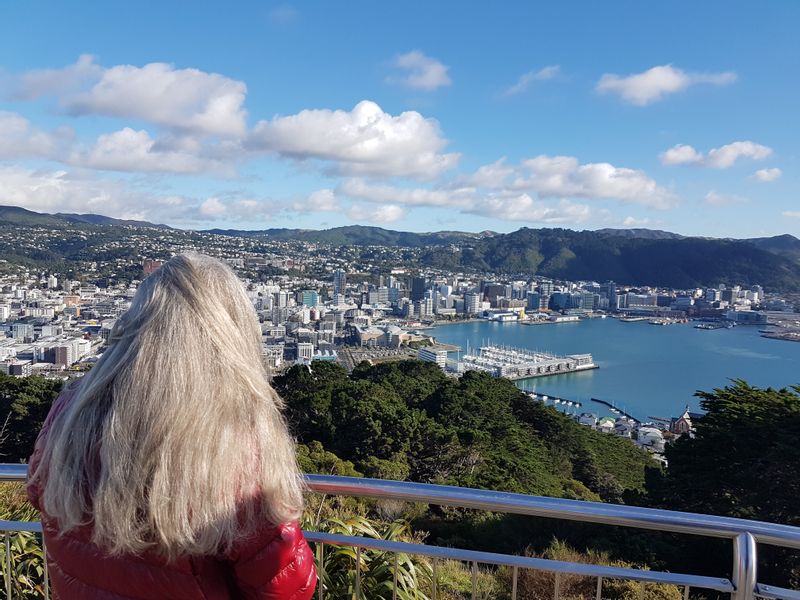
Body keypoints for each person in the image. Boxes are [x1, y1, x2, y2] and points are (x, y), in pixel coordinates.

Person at [27, 253, 317, 599]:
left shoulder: (70, 410)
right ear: (232, 331)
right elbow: (284, 584)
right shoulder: (233, 441)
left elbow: (36, 491)